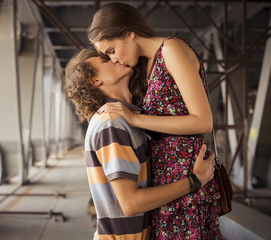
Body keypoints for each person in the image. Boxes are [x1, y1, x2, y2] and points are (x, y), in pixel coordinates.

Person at [87, 3, 221, 239]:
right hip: (166, 178)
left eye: (111, 50)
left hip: (186, 171)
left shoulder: (171, 49)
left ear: (129, 33)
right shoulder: (147, 65)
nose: (114, 58)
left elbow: (203, 121)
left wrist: (137, 119)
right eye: (107, 56)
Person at [64, 49, 215, 240]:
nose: (114, 58)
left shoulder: (128, 120)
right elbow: (131, 203)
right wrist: (195, 180)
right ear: (94, 81)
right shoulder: (111, 123)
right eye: (105, 60)